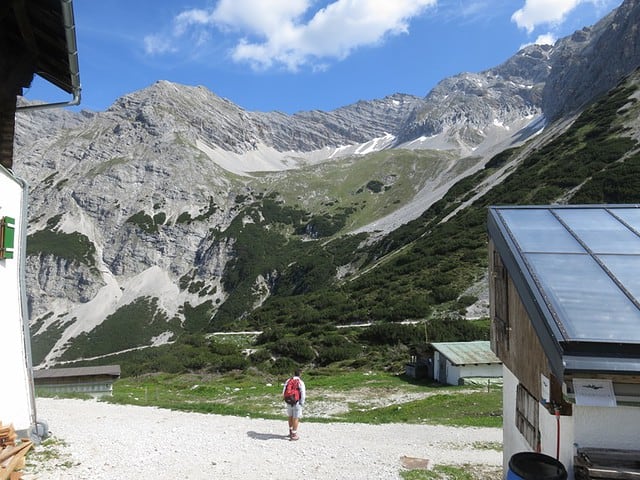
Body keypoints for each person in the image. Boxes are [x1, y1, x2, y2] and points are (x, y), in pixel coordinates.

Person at [282, 369, 306, 441]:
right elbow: (303, 394)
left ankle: (290, 431)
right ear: (300, 374)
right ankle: (294, 434)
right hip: (296, 402)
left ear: (293, 373)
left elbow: (284, 391)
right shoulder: (300, 382)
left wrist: (286, 399)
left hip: (289, 401)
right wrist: (302, 402)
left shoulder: (288, 381)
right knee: (296, 418)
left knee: (290, 416)